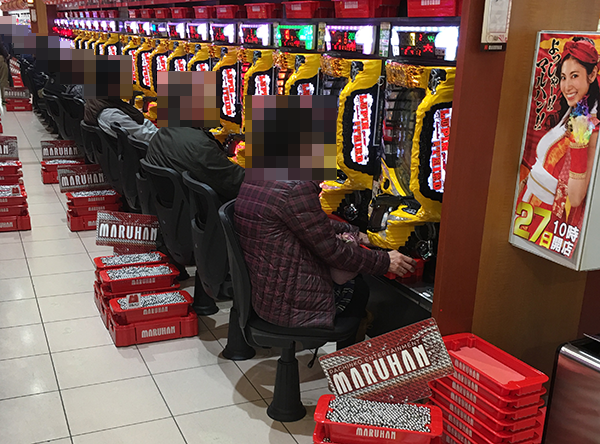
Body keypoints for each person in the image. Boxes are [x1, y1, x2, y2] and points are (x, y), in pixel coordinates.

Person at [234, 180, 416, 330]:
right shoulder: (296, 187)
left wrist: (357, 234)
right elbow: (335, 253)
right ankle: (348, 360)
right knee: (359, 288)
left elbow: (313, 223)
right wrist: (385, 262)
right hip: (292, 306)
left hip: (266, 295)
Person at [518, 37, 600, 232]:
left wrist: (579, 141)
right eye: (563, 77)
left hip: (547, 220)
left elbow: (576, 197)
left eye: (574, 76)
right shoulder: (571, 112)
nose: (567, 86)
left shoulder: (591, 127)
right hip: (526, 209)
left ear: (592, 74)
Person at [145, 127, 245, 202]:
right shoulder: (200, 145)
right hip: (206, 212)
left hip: (174, 205)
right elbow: (236, 183)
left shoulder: (162, 132)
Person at [84, 97, 158, 143]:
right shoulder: (111, 114)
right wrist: (163, 136)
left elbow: (142, 123)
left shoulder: (96, 101)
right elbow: (144, 136)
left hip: (125, 151)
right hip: (138, 153)